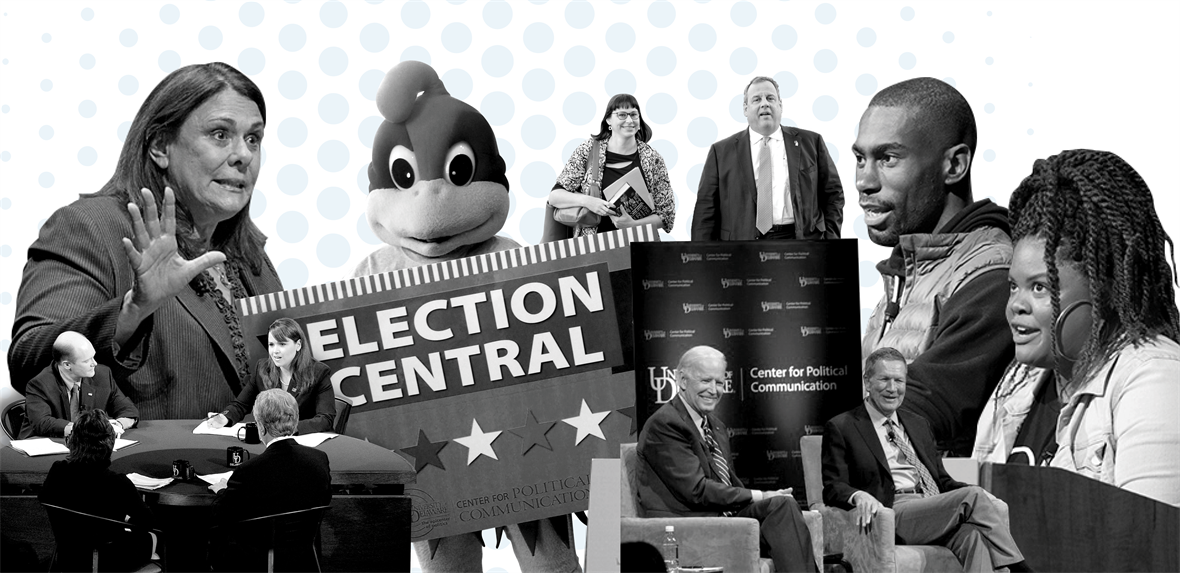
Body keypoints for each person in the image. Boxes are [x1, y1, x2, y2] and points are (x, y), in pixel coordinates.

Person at [8, 62, 283, 420]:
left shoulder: (249, 257)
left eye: (253, 138)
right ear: (160, 146)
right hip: (142, 471)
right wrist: (130, 314)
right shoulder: (93, 227)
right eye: (220, 134)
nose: (243, 155)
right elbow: (28, 360)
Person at [976, 149, 1180, 506]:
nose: (1016, 305)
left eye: (1040, 287)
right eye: (1013, 286)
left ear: (1105, 288)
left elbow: (1155, 542)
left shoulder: (1155, 379)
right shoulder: (1015, 387)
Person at [854, 77, 1013, 455]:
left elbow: (922, 407)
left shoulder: (992, 275)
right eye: (860, 158)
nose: (864, 181)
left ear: (954, 165)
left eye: (887, 158)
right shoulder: (908, 274)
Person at [822, 348, 1033, 573]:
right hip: (893, 512)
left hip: (934, 506)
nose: (892, 389)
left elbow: (941, 479)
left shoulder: (918, 423)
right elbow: (833, 487)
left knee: (975, 538)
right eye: (884, 379)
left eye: (899, 381)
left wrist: (977, 494)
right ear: (867, 381)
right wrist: (858, 495)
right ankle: (1021, 568)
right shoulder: (843, 426)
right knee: (972, 497)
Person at [637, 346, 818, 573]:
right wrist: (759, 495)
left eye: (720, 382)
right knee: (778, 506)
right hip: (687, 525)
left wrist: (765, 499)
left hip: (723, 518)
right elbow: (697, 490)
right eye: (705, 381)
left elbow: (727, 484)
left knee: (783, 505)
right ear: (682, 380)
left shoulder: (715, 425)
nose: (714, 390)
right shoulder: (666, 424)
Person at [692, 76, 844, 241]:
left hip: (801, 243)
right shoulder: (720, 152)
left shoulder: (812, 143)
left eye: (770, 98)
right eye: (756, 99)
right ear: (745, 109)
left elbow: (833, 195)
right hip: (741, 248)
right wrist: (702, 259)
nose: (764, 103)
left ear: (780, 105)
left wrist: (831, 242)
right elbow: (705, 210)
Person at [210, 389, 332, 569]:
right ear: (295, 421)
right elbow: (324, 498)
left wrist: (221, 490)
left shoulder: (249, 471)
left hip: (259, 557)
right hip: (303, 553)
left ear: (261, 428)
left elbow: (222, 515)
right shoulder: (319, 459)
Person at [39, 409, 157, 572]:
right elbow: (147, 522)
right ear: (111, 442)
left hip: (68, 555)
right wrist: (125, 522)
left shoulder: (57, 471)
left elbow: (44, 499)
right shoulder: (118, 483)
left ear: (71, 441)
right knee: (150, 539)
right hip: (109, 559)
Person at [549, 93, 676, 237]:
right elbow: (555, 196)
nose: (629, 120)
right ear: (608, 119)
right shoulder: (588, 150)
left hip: (638, 249)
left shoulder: (653, 159)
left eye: (634, 114)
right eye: (622, 115)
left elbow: (666, 216)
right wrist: (589, 201)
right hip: (593, 248)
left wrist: (632, 226)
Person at [207, 318, 335, 435]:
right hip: (272, 443)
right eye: (271, 345)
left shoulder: (318, 372)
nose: (275, 351)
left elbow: (325, 419)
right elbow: (241, 405)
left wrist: (286, 430)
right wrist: (224, 417)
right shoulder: (262, 369)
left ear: (298, 345)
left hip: (304, 441)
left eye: (282, 344)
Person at [19, 331, 139, 439]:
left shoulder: (102, 375)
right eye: (87, 361)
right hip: (42, 448)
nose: (94, 363)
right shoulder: (40, 384)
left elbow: (128, 410)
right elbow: (42, 423)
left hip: (86, 449)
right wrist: (87, 430)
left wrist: (117, 425)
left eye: (93, 357)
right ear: (67, 365)